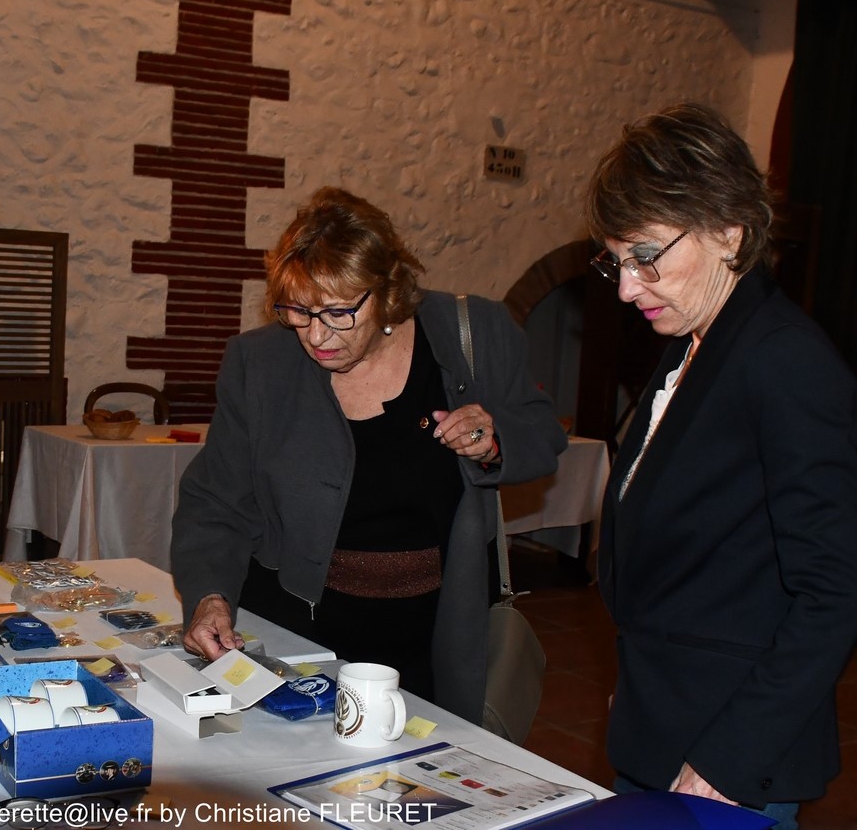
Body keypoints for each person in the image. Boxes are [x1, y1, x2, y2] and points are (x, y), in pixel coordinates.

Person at [171, 186, 566, 722]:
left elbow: (542, 434)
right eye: (298, 311)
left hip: (435, 631)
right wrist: (210, 595)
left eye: (338, 312)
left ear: (386, 290)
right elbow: (216, 501)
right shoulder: (259, 363)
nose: (316, 335)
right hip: (298, 629)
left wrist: (493, 441)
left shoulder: (474, 333)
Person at [586, 103, 857, 828]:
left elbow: (836, 587)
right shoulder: (693, 345)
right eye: (617, 261)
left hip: (727, 754)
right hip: (665, 719)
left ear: (730, 231)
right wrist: (643, 685)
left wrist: (728, 757)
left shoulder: (783, 360)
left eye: (645, 255)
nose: (626, 287)